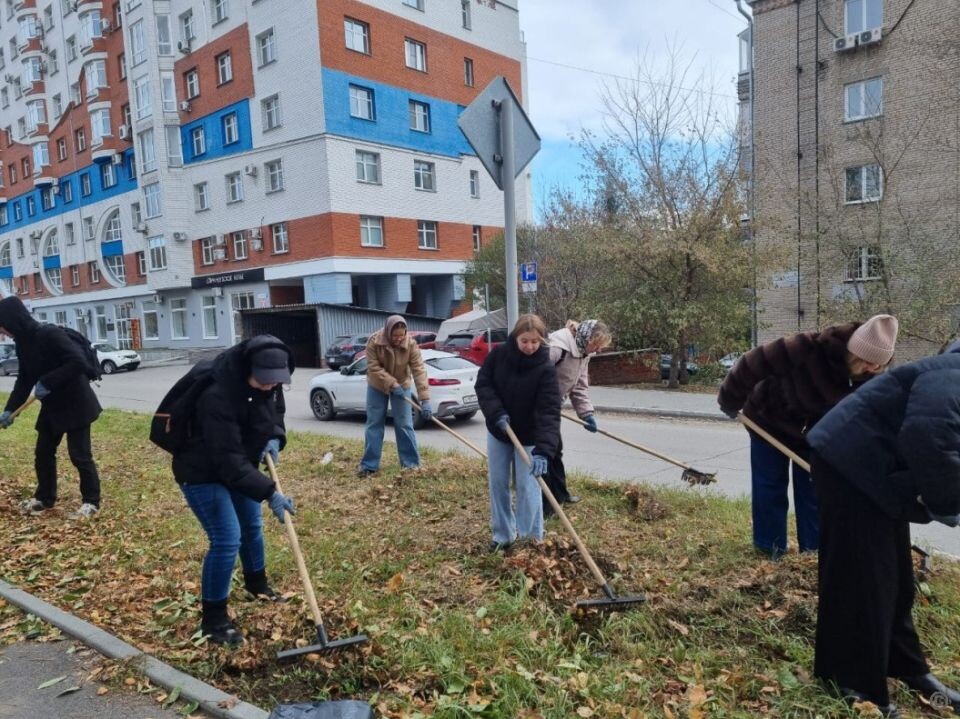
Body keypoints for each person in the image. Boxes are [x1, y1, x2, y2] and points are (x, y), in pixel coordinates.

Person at [806, 343, 960, 717]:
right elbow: (928, 435)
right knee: (860, 579)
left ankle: (905, 665)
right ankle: (851, 682)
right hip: (848, 466)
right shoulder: (951, 375)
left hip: (876, 472)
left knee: (896, 578)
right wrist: (947, 502)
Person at [717, 314, 899, 557]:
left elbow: (868, 418)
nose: (872, 370)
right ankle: (769, 548)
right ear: (855, 353)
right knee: (770, 487)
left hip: (815, 438)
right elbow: (752, 362)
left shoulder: (871, 377)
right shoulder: (807, 347)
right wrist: (730, 399)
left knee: (814, 493)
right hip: (769, 421)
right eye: (868, 363)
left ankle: (812, 552)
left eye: (879, 366)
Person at [172, 334, 296, 646]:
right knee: (227, 538)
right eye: (264, 380)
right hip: (202, 471)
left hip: (240, 465)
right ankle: (214, 621)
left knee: (252, 526)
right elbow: (227, 460)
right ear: (247, 369)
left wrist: (275, 437)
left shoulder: (270, 384)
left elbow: (274, 413)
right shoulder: (216, 395)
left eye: (275, 381)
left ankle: (257, 586)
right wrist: (269, 492)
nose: (270, 386)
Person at [0, 296, 103, 519]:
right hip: (52, 406)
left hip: (76, 402)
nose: (2, 331)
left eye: (2, 325)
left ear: (12, 320)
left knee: (80, 455)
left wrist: (48, 381)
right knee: (43, 452)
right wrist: (10, 410)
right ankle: (45, 498)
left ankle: (91, 502)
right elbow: (24, 379)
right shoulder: (22, 343)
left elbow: (78, 362)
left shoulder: (49, 334)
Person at [476, 314, 561, 551]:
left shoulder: (545, 368)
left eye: (535, 341)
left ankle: (530, 540)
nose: (530, 346)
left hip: (530, 437)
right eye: (525, 341)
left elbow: (549, 411)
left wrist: (544, 450)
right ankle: (503, 535)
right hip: (500, 430)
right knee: (498, 483)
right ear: (515, 337)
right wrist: (496, 413)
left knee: (528, 487)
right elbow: (483, 384)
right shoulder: (499, 355)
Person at [544, 319, 612, 513]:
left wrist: (586, 413)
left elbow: (579, 386)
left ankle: (561, 495)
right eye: (597, 345)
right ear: (587, 339)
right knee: (545, 453)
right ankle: (546, 505)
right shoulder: (557, 348)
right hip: (537, 408)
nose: (598, 350)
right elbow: (531, 375)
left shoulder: (584, 353)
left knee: (556, 451)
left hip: (552, 408)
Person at [358, 315, 431, 476]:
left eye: (401, 335)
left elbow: (419, 370)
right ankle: (369, 465)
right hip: (377, 384)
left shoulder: (411, 344)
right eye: (395, 335)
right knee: (374, 423)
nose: (398, 339)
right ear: (388, 331)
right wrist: (391, 383)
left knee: (404, 424)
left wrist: (425, 399)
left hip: (402, 384)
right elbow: (373, 368)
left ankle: (411, 464)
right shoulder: (374, 341)